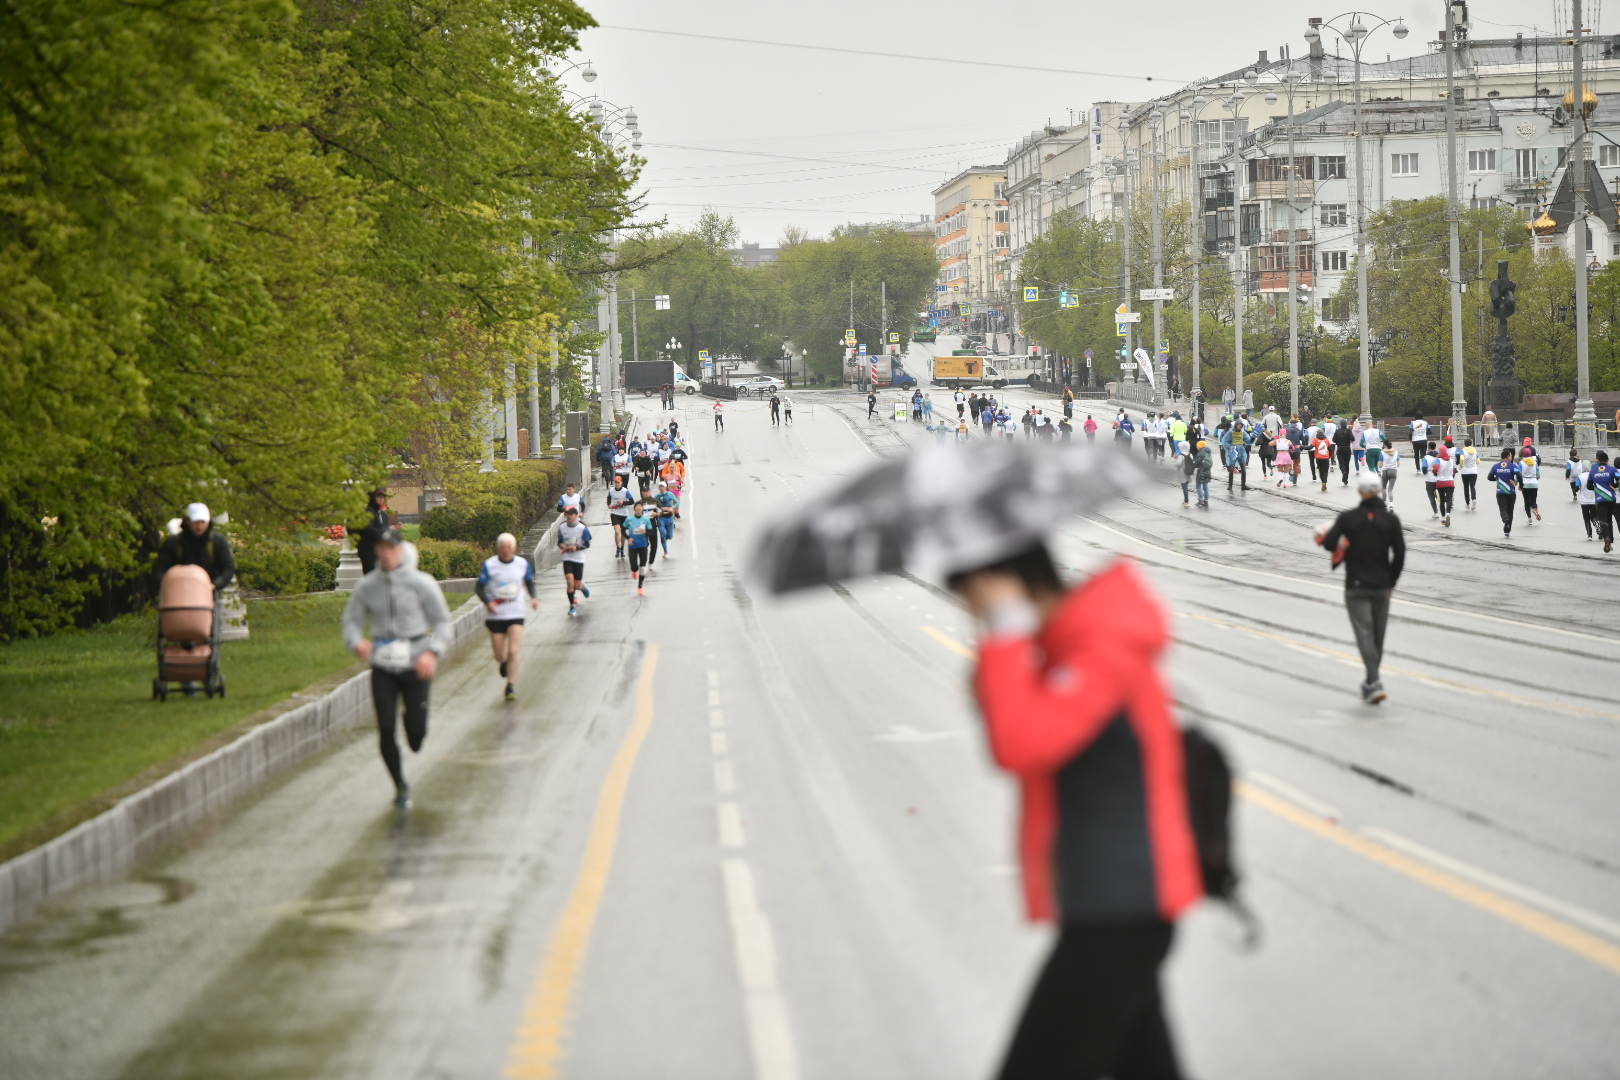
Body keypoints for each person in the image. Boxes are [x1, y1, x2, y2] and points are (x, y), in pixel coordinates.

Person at [946, 546, 1202, 1080]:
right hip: (1109, 903)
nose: (978, 621)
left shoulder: (1100, 643)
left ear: (1009, 586)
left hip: (1123, 905)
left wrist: (1006, 635)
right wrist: (1000, 663)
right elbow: (1034, 735)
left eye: (979, 606)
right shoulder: (1066, 649)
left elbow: (1021, 744)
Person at [342, 528, 453, 808]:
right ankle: (400, 785)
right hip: (383, 663)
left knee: (416, 734)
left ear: (401, 551)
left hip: (416, 660)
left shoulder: (421, 583)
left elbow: (441, 622)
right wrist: (357, 643)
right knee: (385, 727)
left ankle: (413, 724)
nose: (387, 553)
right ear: (378, 551)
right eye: (382, 548)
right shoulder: (368, 586)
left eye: (392, 548)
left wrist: (432, 652)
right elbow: (351, 621)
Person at [1319, 473, 1405, 705]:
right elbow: (1399, 554)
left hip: (1356, 585)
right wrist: (1391, 581)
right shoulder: (1391, 520)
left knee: (1364, 634)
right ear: (1378, 491)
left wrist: (1334, 538)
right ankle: (1371, 682)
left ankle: (1373, 682)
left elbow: (1328, 544)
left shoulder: (1348, 519)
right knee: (1378, 635)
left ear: (1359, 492)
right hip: (1381, 586)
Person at [477, 532, 537, 701]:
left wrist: (533, 598)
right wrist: (488, 602)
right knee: (499, 654)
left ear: (514, 548)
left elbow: (530, 582)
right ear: (498, 548)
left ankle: (510, 685)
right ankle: (503, 662)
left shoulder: (521, 564)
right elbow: (479, 588)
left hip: (516, 612)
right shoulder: (490, 565)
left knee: (513, 649)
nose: (506, 550)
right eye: (503, 547)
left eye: (509, 547)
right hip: (496, 615)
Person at [155, 502, 237, 594]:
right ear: (188, 521)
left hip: (207, 594)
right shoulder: (173, 543)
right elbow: (160, 569)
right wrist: (168, 585)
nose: (199, 526)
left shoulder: (217, 542)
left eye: (203, 522)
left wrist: (214, 585)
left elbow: (228, 568)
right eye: (196, 522)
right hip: (177, 593)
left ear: (208, 521)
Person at [557, 506, 592, 616]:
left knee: (576, 585)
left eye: (572, 514)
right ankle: (572, 606)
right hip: (567, 558)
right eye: (568, 514)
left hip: (579, 558)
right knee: (569, 582)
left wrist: (576, 547)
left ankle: (582, 587)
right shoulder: (562, 527)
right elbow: (559, 542)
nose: (570, 516)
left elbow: (587, 544)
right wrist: (562, 545)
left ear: (576, 515)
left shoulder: (582, 528)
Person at [1586, 450, 1618, 552]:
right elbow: (1618, 481)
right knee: (1609, 520)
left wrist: (1596, 487)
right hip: (1611, 499)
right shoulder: (1612, 469)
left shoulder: (1593, 471)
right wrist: (1613, 486)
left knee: (1603, 521)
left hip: (1600, 499)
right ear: (1608, 460)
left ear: (1597, 459)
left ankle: (1607, 539)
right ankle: (1610, 541)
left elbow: (1589, 486)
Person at [354, 488, 391, 575]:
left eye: (383, 496)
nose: (381, 498)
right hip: (369, 552)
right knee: (371, 577)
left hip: (382, 552)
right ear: (372, 498)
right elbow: (368, 530)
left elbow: (385, 529)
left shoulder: (383, 515)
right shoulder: (366, 514)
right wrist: (384, 535)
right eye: (378, 496)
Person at [1487, 448, 1522, 538]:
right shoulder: (1513, 466)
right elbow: (1519, 475)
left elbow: (1489, 477)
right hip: (1511, 492)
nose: (1511, 457)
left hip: (1500, 492)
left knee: (1503, 509)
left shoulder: (1496, 466)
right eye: (1510, 455)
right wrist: (1521, 485)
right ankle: (1507, 530)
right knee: (1510, 511)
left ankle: (1505, 521)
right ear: (1507, 457)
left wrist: (1497, 478)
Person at [622, 501, 655, 595]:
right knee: (634, 566)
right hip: (632, 546)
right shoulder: (629, 519)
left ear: (642, 510)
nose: (639, 511)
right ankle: (634, 571)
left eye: (640, 509)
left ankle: (640, 586)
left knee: (643, 567)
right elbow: (623, 529)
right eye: (637, 509)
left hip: (643, 546)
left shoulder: (646, 520)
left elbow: (651, 532)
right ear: (634, 510)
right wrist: (628, 538)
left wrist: (646, 532)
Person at [606, 475, 634, 558]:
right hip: (614, 513)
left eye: (618, 482)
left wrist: (623, 503)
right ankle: (618, 548)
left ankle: (621, 548)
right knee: (617, 531)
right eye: (615, 482)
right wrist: (609, 505)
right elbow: (608, 498)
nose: (616, 484)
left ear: (621, 483)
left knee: (623, 533)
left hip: (624, 514)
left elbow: (632, 501)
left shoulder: (625, 491)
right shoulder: (611, 490)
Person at [1573, 455, 1598, 541]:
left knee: (1586, 518)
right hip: (1593, 500)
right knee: (1594, 516)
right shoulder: (1593, 475)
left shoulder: (1580, 477)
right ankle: (1599, 529)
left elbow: (1576, 488)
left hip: (1584, 502)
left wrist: (1576, 489)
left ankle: (1589, 535)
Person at [653, 480, 680, 556]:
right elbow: (653, 505)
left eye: (662, 486)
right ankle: (665, 551)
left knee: (670, 536)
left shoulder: (670, 494)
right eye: (660, 486)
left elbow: (677, 502)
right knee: (663, 534)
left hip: (669, 517)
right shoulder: (657, 497)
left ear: (665, 487)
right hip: (661, 518)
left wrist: (672, 508)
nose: (661, 488)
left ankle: (665, 539)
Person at [1434, 441, 1456, 527]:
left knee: (1442, 500)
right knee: (1449, 499)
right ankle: (1448, 514)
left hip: (1440, 482)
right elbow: (1454, 470)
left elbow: (1435, 469)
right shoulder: (1451, 460)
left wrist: (1435, 472)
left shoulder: (1438, 460)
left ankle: (1443, 518)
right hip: (1450, 481)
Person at [1519, 447, 1542, 525]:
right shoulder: (1534, 462)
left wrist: (1518, 483)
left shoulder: (1521, 463)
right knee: (1533, 500)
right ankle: (1534, 509)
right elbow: (1538, 475)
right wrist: (1535, 478)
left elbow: (1518, 475)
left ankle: (1529, 519)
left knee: (1526, 502)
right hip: (1534, 484)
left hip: (1525, 484)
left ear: (1523, 455)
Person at [1457, 437, 1480, 511]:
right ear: (1471, 444)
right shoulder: (1475, 450)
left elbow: (1462, 459)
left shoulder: (1462, 451)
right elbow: (1478, 461)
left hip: (1465, 471)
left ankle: (1467, 504)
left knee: (1466, 488)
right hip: (1474, 471)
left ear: (1465, 444)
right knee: (1472, 486)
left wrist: (1460, 466)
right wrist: (1474, 463)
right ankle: (1474, 499)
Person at [1311, 427, 1333, 492]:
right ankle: (1324, 483)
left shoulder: (1315, 439)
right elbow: (1330, 449)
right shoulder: (1326, 440)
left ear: (1317, 433)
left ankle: (1323, 483)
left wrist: (1302, 447)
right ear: (1323, 433)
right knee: (1325, 471)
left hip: (1318, 458)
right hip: (1325, 458)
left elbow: (1310, 447)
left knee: (1320, 471)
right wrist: (1330, 456)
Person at [1332, 421, 1354, 486]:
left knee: (1341, 464)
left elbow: (1333, 440)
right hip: (1347, 449)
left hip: (1340, 449)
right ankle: (1345, 479)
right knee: (1347, 464)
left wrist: (1338, 441)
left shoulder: (1337, 431)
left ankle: (1343, 472)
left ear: (1340, 425)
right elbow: (1353, 439)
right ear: (1346, 424)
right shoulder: (1348, 431)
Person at [1193, 438, 1213, 508]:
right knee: (1205, 487)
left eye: (1197, 446)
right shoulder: (1208, 452)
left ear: (1199, 446)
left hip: (1201, 472)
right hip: (1208, 471)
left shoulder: (1201, 453)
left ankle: (1200, 500)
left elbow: (1197, 463)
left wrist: (1192, 465)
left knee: (1198, 486)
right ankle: (1206, 501)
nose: (1197, 447)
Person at [1179, 440, 1195, 506]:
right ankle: (1185, 500)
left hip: (1183, 473)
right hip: (1189, 472)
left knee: (1184, 487)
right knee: (1186, 486)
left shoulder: (1181, 455)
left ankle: (1186, 501)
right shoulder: (1190, 454)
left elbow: (1178, 463)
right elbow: (1193, 462)